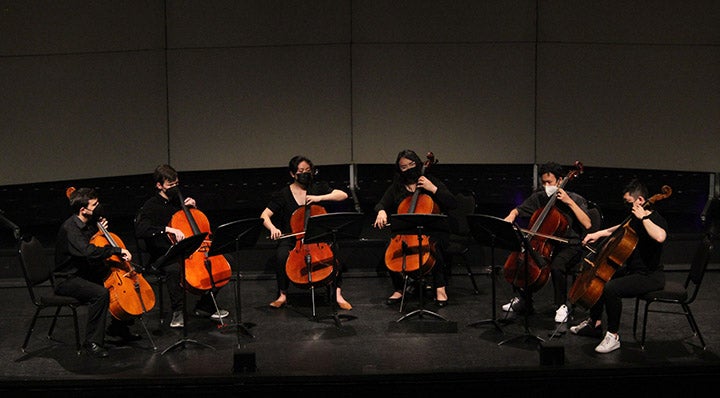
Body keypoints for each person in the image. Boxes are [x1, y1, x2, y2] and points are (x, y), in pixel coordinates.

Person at [570, 179, 667, 353]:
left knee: (611, 288)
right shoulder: (634, 218)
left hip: (650, 276)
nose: (627, 206)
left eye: (629, 202)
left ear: (640, 200)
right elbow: (618, 229)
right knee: (601, 278)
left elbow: (660, 236)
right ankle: (595, 323)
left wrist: (644, 217)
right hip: (634, 271)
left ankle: (613, 336)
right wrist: (597, 234)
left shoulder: (654, 218)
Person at [134, 164, 229, 329]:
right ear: (159, 186)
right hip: (164, 251)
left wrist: (193, 208)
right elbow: (141, 229)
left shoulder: (179, 201)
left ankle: (205, 306)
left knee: (225, 262)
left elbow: (195, 225)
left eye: (176, 184)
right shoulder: (151, 205)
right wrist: (167, 228)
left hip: (189, 249)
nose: (174, 188)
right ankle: (178, 311)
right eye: (170, 185)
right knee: (174, 270)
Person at [54, 187, 141, 358]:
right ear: (83, 209)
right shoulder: (70, 229)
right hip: (67, 279)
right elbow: (88, 251)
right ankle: (92, 342)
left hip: (84, 272)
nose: (98, 207)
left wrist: (100, 232)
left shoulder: (89, 224)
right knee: (100, 294)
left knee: (116, 282)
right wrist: (115, 250)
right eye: (94, 205)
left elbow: (95, 245)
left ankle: (117, 328)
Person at [501, 162, 592, 324]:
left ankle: (562, 305)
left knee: (557, 265)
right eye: (543, 182)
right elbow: (519, 210)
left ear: (560, 180)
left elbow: (587, 224)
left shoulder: (576, 199)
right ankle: (525, 302)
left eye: (549, 182)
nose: (546, 186)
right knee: (525, 260)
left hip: (569, 244)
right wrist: (511, 216)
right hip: (545, 243)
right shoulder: (540, 197)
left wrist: (568, 201)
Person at [260, 155, 352, 310]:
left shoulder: (317, 188)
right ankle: (282, 294)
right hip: (293, 237)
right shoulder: (283, 194)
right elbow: (264, 215)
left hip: (317, 236)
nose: (305, 174)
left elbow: (343, 195)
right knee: (281, 255)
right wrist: (273, 228)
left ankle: (337, 293)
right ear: (292, 174)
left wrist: (320, 197)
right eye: (301, 171)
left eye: (308, 171)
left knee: (334, 248)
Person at [373, 149, 457, 306]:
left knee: (435, 246)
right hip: (407, 233)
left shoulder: (430, 181)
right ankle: (399, 288)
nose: (408, 169)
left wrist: (433, 189)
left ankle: (440, 288)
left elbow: (452, 203)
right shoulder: (397, 187)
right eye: (404, 167)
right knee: (389, 250)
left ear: (417, 163)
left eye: (411, 164)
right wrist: (381, 212)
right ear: (399, 169)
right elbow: (381, 203)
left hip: (433, 231)